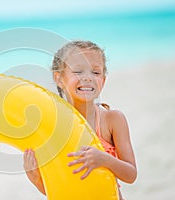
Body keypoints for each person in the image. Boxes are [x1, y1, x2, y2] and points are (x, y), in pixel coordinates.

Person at [23, 40, 137, 199]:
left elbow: (131, 174)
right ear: (59, 78)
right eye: (78, 71)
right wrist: (36, 179)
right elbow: (59, 190)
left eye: (96, 72)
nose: (88, 78)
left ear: (103, 80)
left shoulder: (112, 120)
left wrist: (105, 160)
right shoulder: (55, 126)